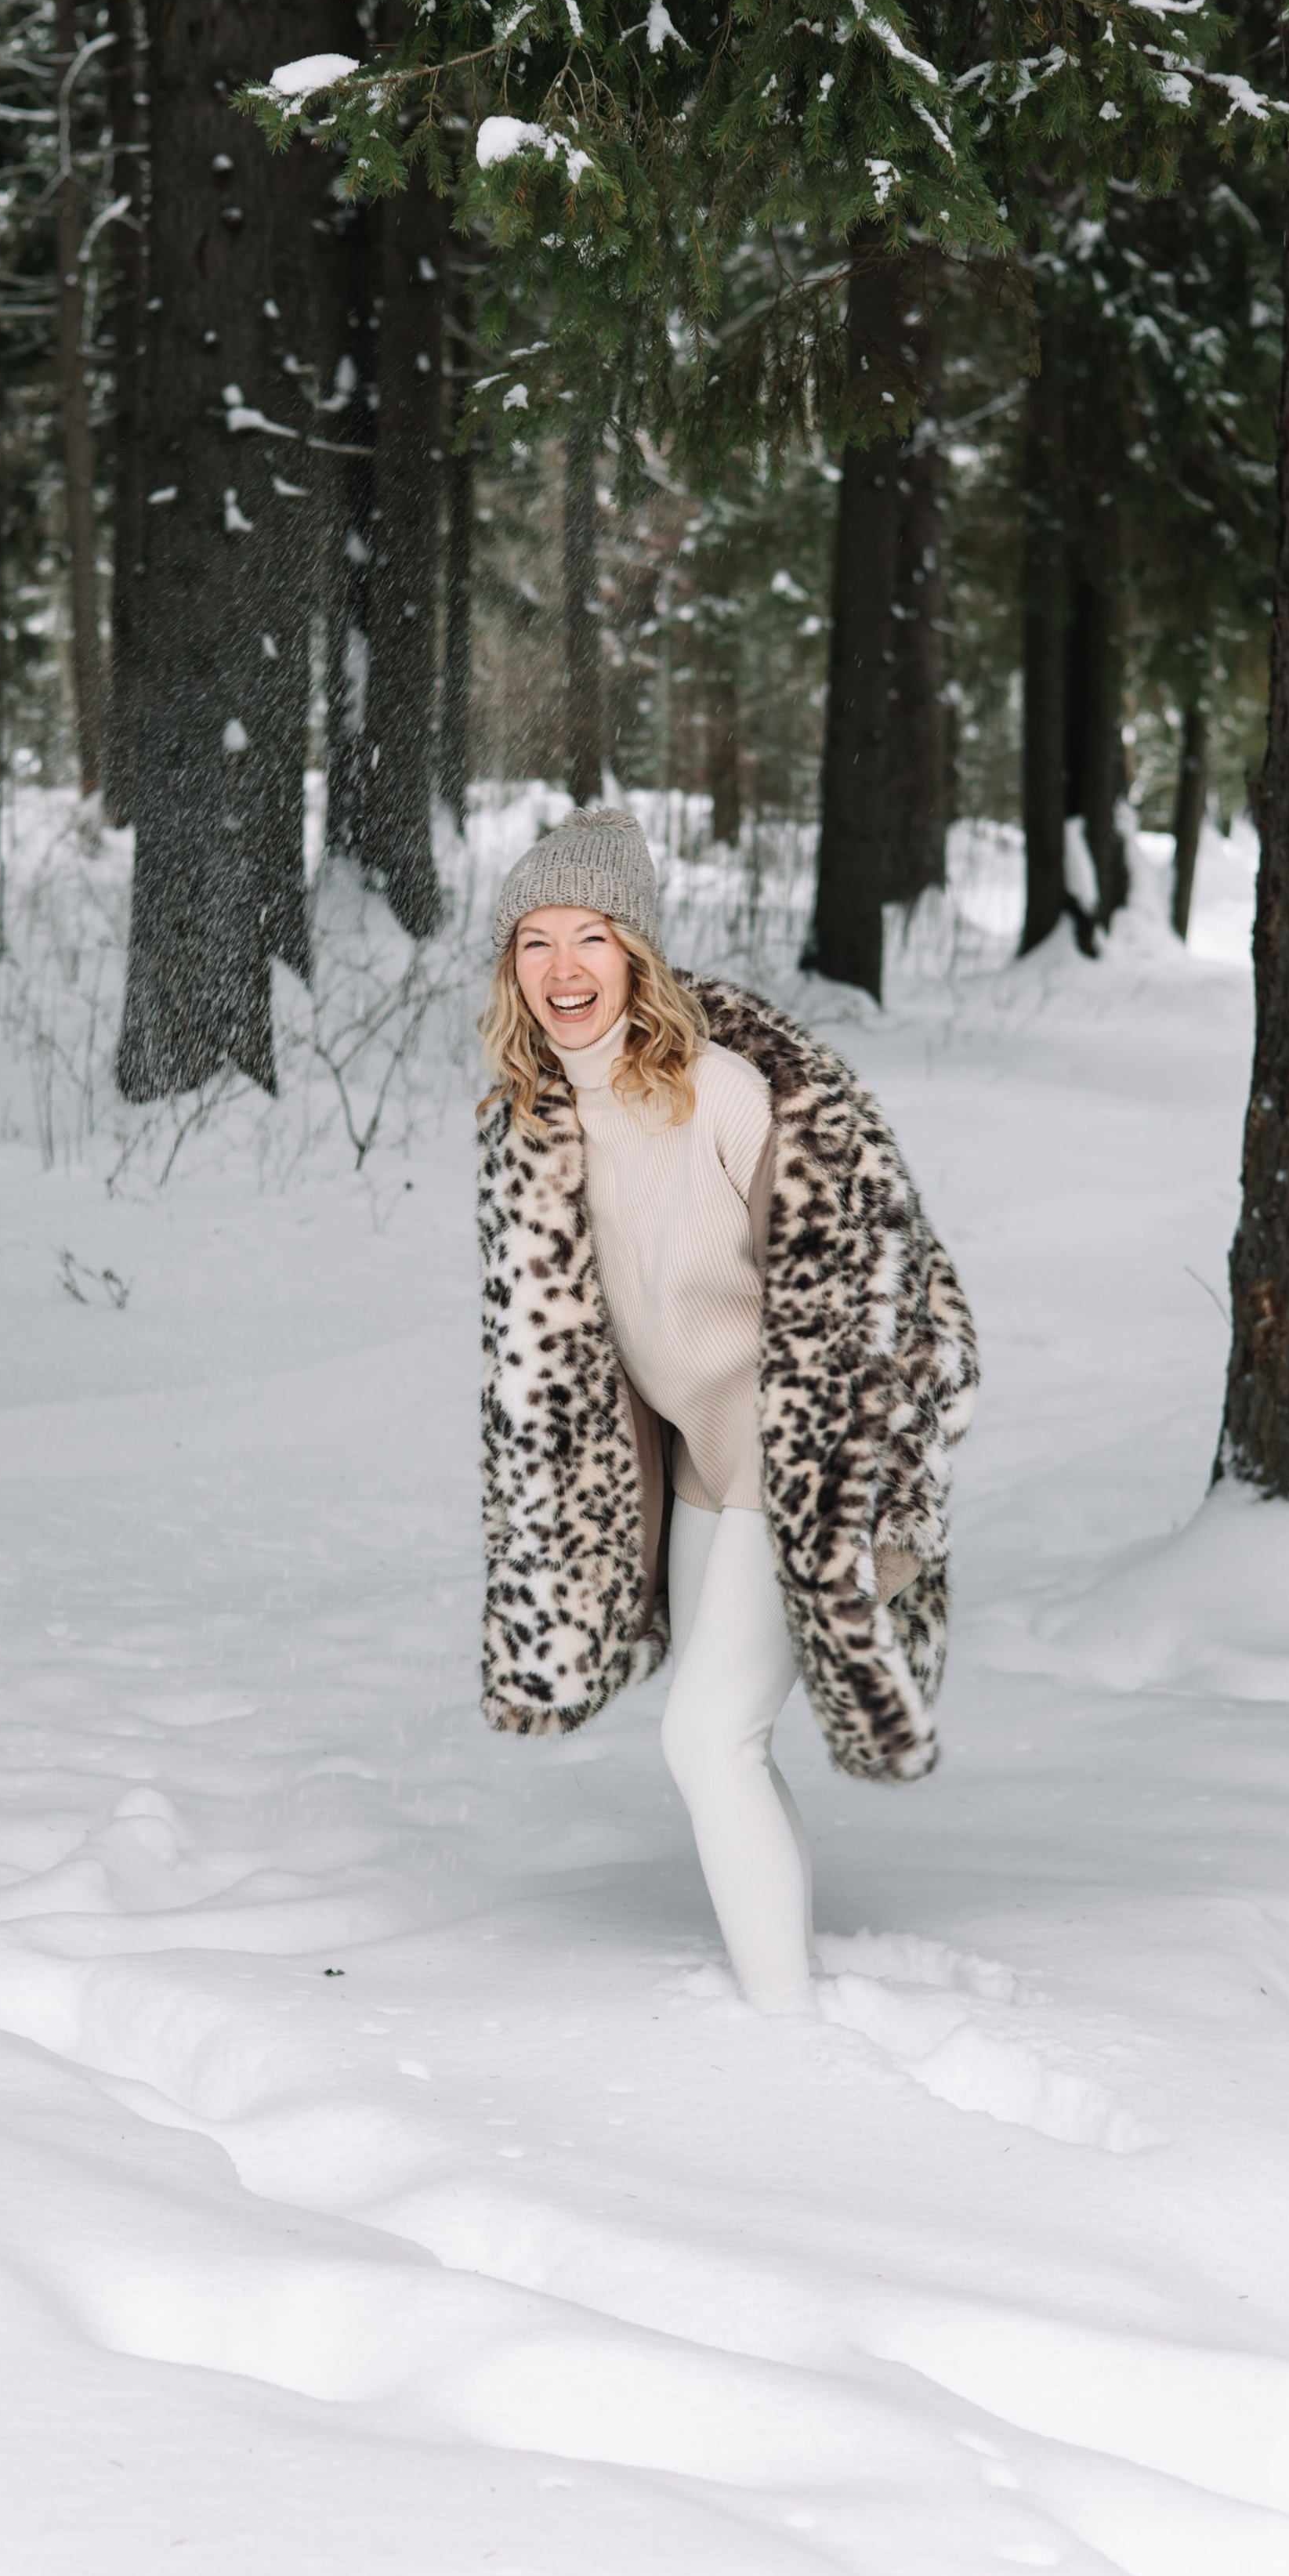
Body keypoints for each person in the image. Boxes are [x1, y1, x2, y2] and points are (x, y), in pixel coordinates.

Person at [476, 808, 979, 2014]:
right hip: (705, 1466)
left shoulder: (723, 1094)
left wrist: (871, 1479)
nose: (561, 971)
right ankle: (787, 1983)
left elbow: (873, 1277)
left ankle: (784, 2033)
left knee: (707, 1739)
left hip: (795, 1465)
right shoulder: (534, 1122)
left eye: (589, 938)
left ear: (636, 954)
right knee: (720, 1749)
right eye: (533, 943)